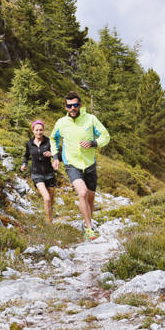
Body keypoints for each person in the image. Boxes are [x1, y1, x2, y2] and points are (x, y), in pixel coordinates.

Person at [50, 92, 110, 240]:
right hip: (72, 164)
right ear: (66, 107)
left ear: (80, 105)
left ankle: (86, 223)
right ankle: (89, 229)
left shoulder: (91, 119)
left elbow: (106, 136)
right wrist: (55, 156)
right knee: (82, 193)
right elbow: (53, 139)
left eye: (75, 105)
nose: (73, 108)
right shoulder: (61, 123)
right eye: (69, 106)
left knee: (90, 199)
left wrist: (93, 143)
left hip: (89, 164)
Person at [20, 119, 57, 223]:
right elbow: (26, 156)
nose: (39, 132)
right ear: (33, 131)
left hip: (49, 174)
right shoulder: (29, 144)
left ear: (43, 130)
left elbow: (59, 155)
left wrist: (52, 155)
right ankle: (48, 223)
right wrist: (24, 164)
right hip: (36, 174)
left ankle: (50, 220)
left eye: (41, 130)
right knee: (47, 198)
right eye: (36, 130)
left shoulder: (49, 142)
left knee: (51, 201)